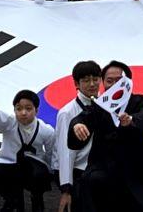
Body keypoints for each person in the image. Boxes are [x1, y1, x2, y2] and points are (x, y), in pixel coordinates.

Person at [67, 61, 143, 212]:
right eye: (109, 81)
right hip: (105, 171)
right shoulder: (100, 106)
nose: (114, 85)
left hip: (137, 172)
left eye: (119, 81)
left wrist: (131, 122)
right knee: (91, 185)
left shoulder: (141, 102)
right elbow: (84, 117)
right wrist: (77, 125)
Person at [0, 88, 55, 212]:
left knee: (40, 174)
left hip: (34, 168)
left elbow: (51, 153)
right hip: (10, 164)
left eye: (28, 108)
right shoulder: (9, 123)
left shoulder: (46, 130)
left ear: (36, 110)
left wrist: (51, 174)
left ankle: (37, 197)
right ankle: (11, 200)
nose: (23, 113)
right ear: (14, 110)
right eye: (19, 108)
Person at [54, 61, 100, 212]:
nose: (92, 84)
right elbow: (65, 153)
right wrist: (66, 189)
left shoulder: (105, 105)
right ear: (76, 83)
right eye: (86, 80)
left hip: (99, 168)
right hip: (77, 172)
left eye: (95, 78)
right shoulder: (67, 113)